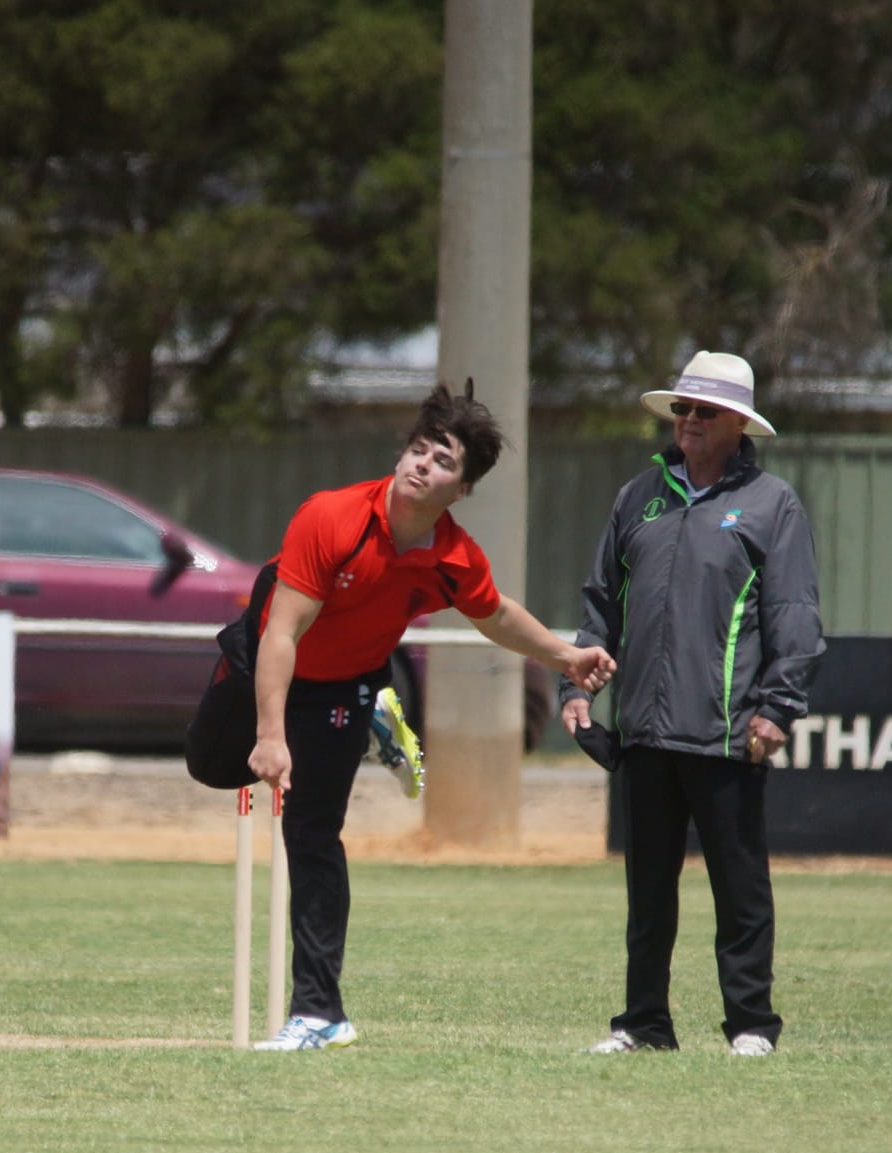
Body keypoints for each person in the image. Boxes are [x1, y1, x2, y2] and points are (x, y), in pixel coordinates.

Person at [186, 381, 616, 1051]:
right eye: (418, 450)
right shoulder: (333, 517)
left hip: (345, 685)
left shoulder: (452, 557)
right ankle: (380, 718)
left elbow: (495, 613)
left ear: (461, 489)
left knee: (311, 832)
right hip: (269, 651)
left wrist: (566, 656)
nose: (422, 465)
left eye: (443, 461)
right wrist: (270, 735)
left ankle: (319, 1012)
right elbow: (282, 633)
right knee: (212, 765)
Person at [560, 351, 821, 1058]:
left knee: (740, 890)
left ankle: (751, 1025)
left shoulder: (771, 505)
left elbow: (795, 617)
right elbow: (600, 606)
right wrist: (576, 687)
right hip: (643, 732)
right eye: (682, 408)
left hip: (729, 732)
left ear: (739, 423)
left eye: (705, 411)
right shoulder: (637, 496)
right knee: (647, 894)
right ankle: (644, 1023)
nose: (689, 421)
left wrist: (777, 707)